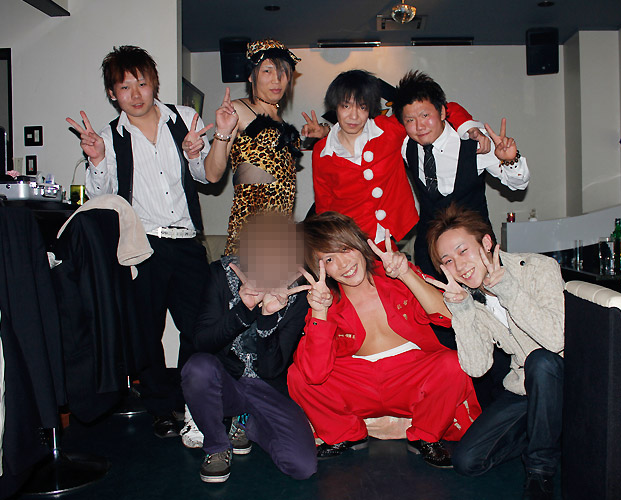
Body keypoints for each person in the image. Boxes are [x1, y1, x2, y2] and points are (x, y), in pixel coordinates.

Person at [66, 45, 212, 438]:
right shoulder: (109, 137)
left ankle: (193, 400)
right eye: (125, 87)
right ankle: (161, 408)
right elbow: (101, 198)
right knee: (146, 332)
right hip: (143, 246)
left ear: (154, 83)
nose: (135, 94)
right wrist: (97, 160)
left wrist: (196, 153)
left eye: (142, 83)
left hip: (187, 242)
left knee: (199, 329)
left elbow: (204, 177)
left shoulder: (184, 119)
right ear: (112, 93)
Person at [287, 211, 481, 469]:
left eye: (345, 249)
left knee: (453, 363)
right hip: (358, 382)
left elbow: (448, 317)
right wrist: (320, 312)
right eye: (329, 259)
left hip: (411, 374)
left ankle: (425, 436)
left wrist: (406, 274)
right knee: (298, 375)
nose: (343, 264)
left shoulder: (394, 275)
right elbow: (314, 374)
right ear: (321, 269)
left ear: (359, 243)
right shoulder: (325, 301)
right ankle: (345, 434)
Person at [424, 205, 564, 500]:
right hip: (523, 387)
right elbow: (477, 367)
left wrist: (509, 291)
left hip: (560, 378)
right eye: (448, 261)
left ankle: (540, 471)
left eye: (463, 251)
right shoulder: (469, 298)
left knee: (540, 361)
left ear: (486, 242)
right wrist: (462, 311)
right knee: (467, 462)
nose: (459, 266)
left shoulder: (537, 268)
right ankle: (544, 432)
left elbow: (555, 340)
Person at [181, 213, 317, 483]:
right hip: (225, 382)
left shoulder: (298, 291)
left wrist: (267, 318)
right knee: (197, 368)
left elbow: (272, 369)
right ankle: (217, 446)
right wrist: (243, 310)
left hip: (268, 388)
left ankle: (246, 421)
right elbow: (202, 342)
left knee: (301, 466)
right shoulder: (222, 274)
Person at [309, 70, 487, 247]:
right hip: (351, 240)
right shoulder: (322, 151)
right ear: (335, 106)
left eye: (362, 107)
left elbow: (440, 109)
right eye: (346, 106)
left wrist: (468, 127)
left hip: (391, 234)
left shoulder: (388, 129)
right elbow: (324, 206)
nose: (354, 116)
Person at [393, 70, 530, 278]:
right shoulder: (406, 146)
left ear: (441, 112)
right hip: (431, 255)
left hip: (477, 253)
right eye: (410, 120)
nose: (419, 126)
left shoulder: (475, 144)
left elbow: (518, 184)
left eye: (425, 115)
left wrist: (510, 159)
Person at [203, 39, 323, 255]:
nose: (276, 79)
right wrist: (222, 131)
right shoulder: (238, 109)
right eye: (267, 71)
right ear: (251, 75)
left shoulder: (281, 121)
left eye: (283, 72)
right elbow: (212, 175)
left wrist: (324, 132)